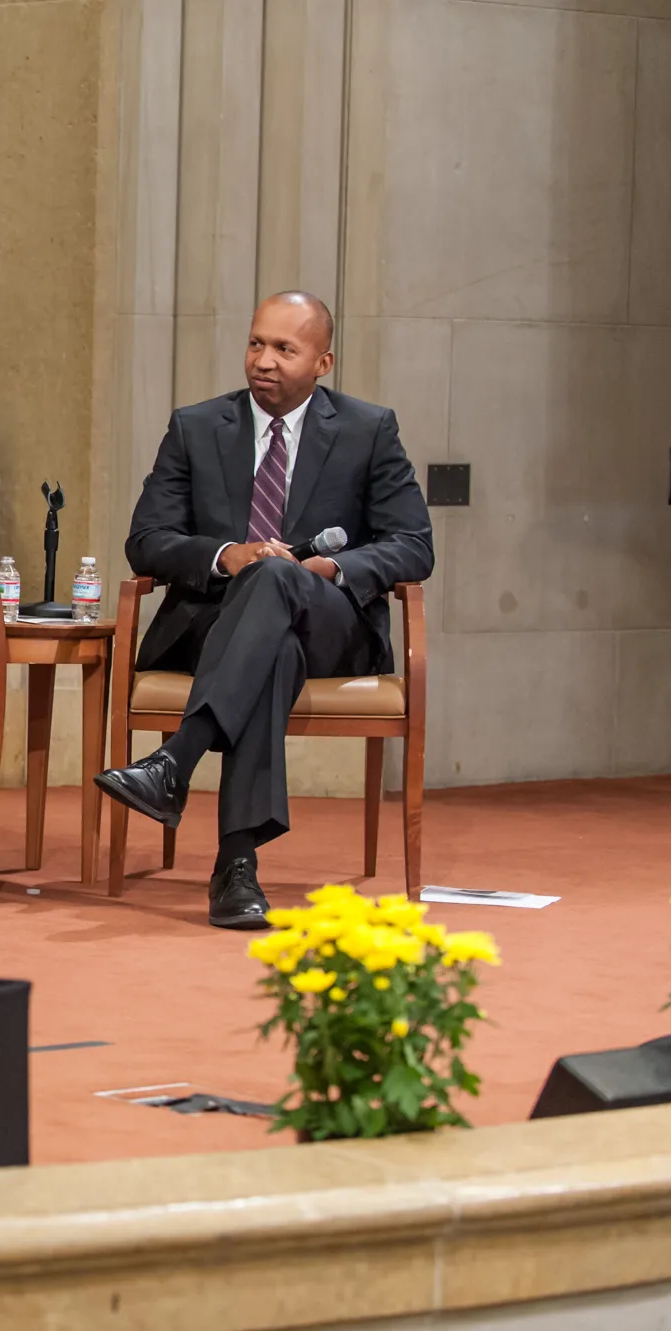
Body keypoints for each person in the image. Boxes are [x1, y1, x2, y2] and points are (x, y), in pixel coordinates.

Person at [94, 291, 434, 930]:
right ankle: (236, 866)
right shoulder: (197, 427)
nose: (265, 360)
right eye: (256, 343)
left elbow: (413, 546)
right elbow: (147, 539)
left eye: (285, 348)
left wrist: (332, 568)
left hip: (330, 622)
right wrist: (227, 556)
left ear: (323, 361)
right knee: (269, 648)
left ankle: (176, 760)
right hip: (211, 627)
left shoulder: (368, 429)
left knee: (279, 581)